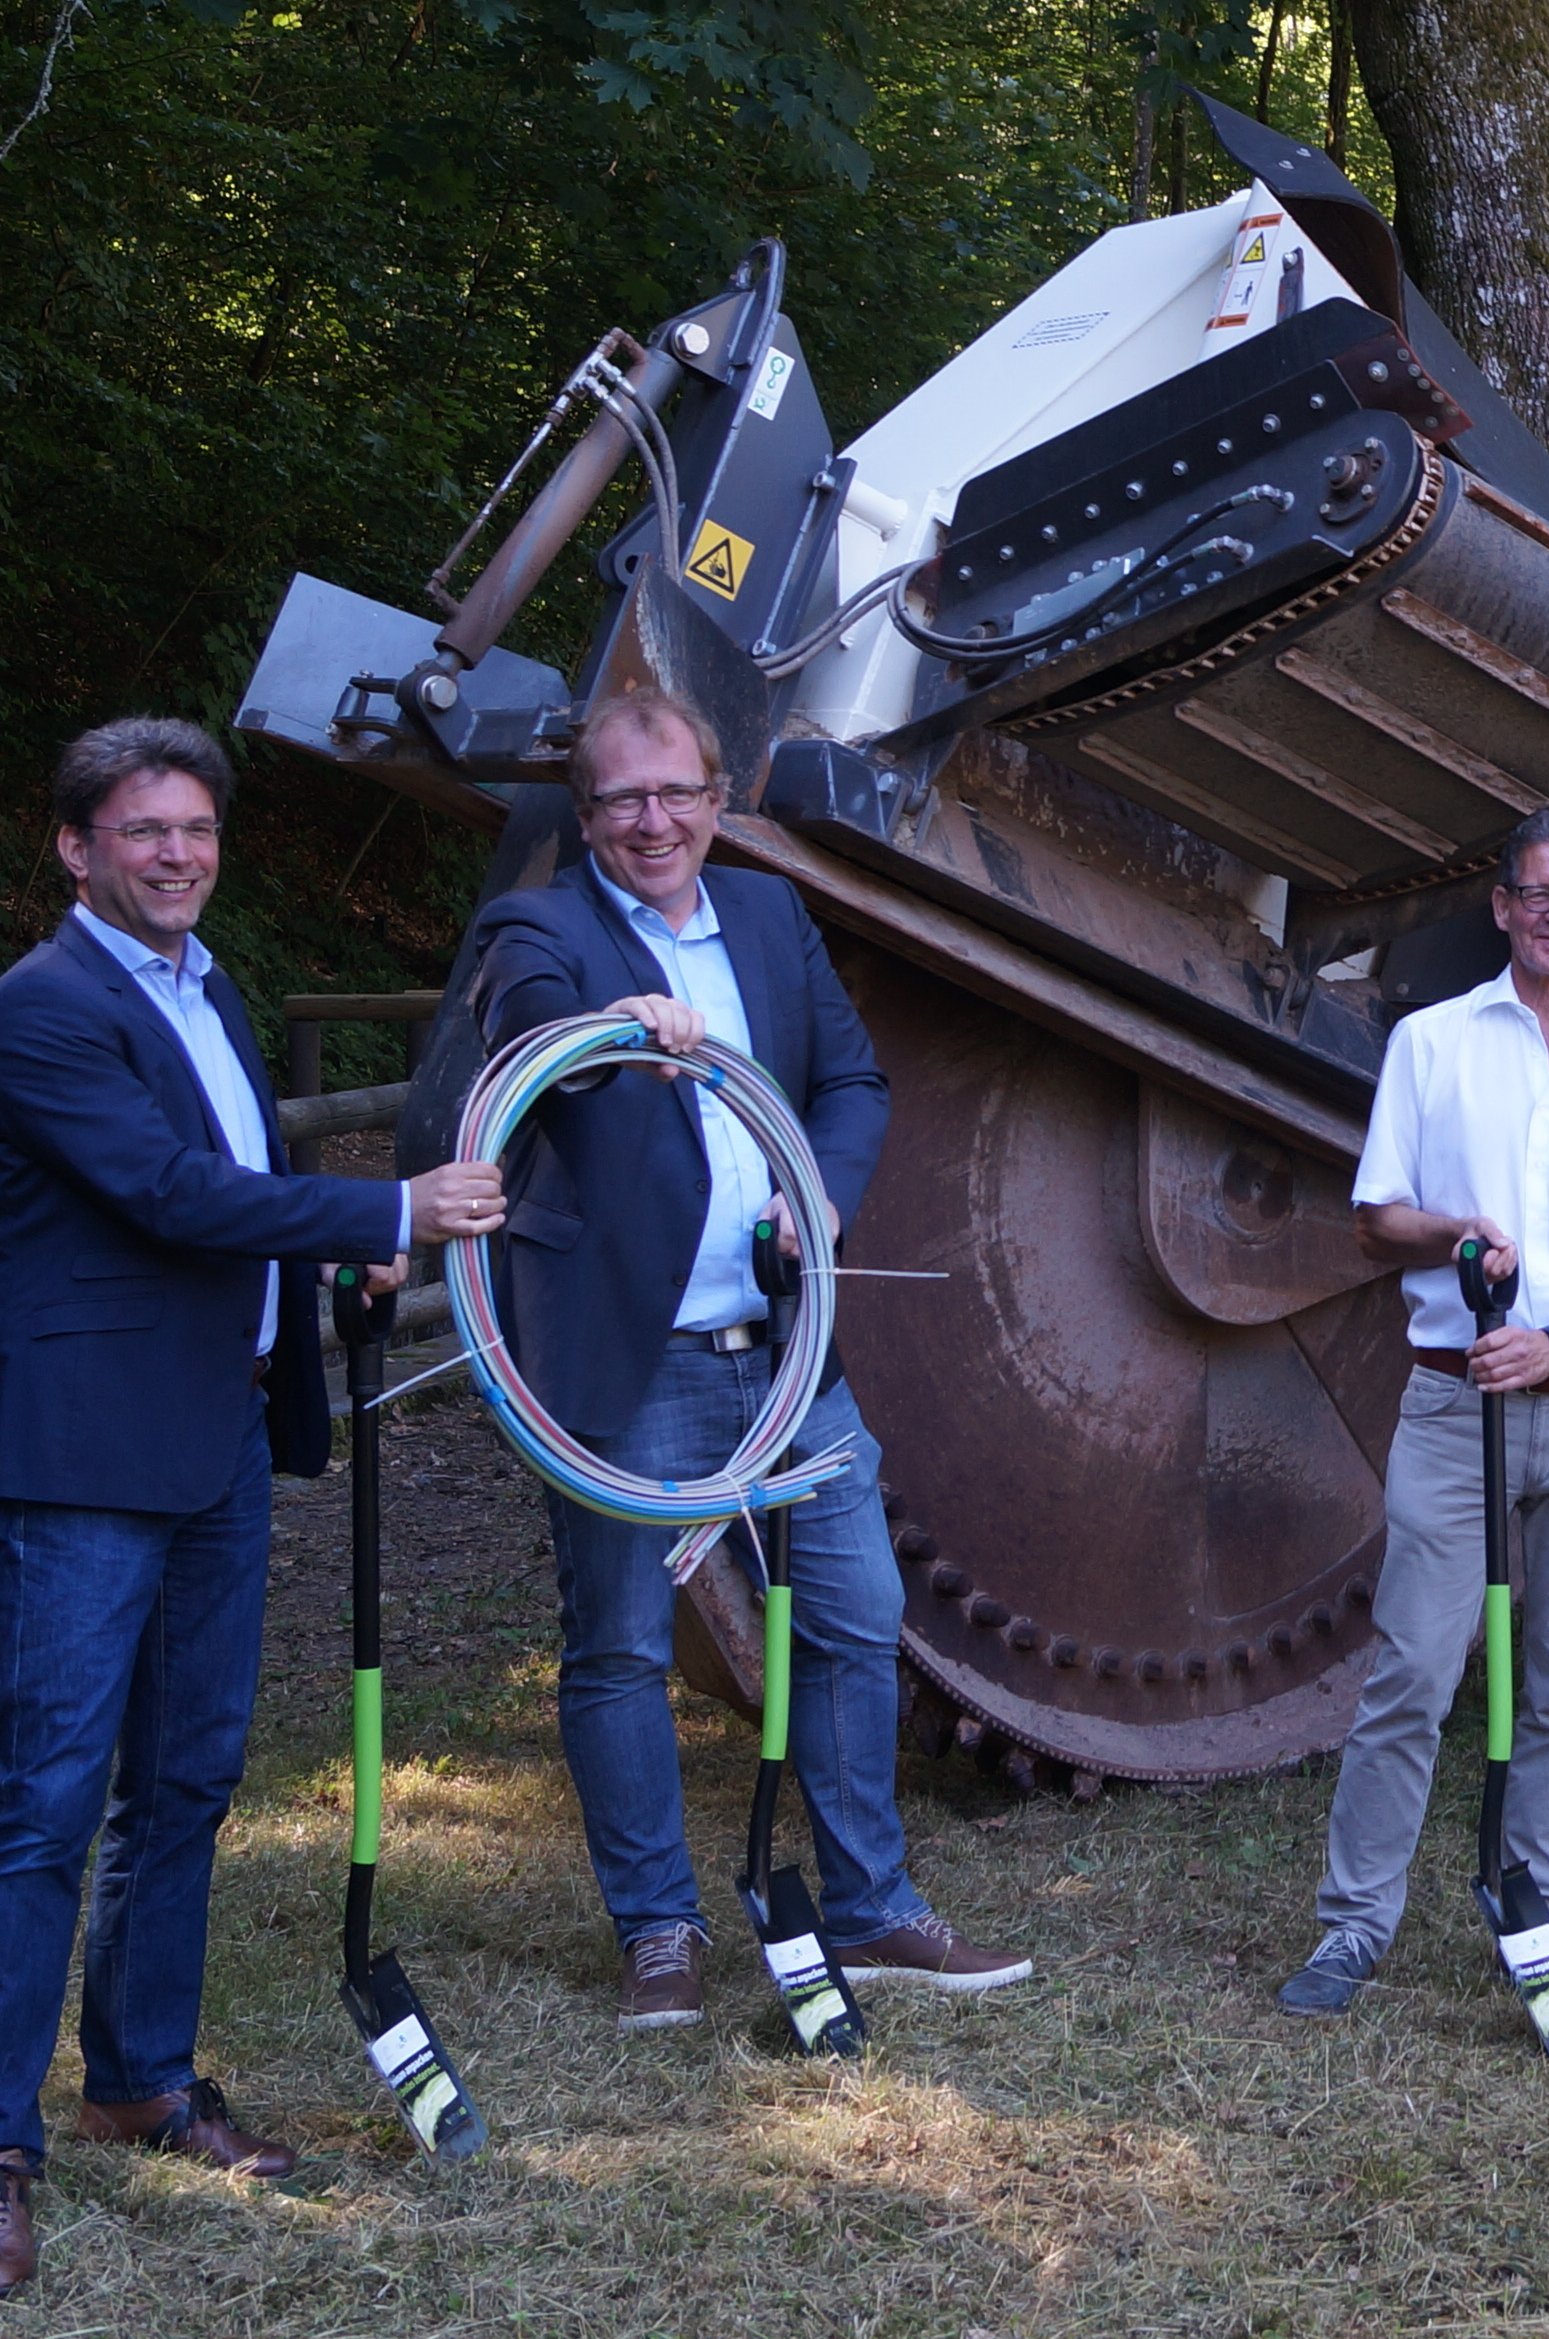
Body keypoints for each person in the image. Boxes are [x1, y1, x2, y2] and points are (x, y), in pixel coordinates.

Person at [0, 718, 509, 2294]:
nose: (177, 854)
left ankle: (140, 2075)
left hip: (215, 1449)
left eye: (196, 828)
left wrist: (331, 1250)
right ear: (75, 847)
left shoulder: (208, 987)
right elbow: (168, 1196)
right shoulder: (41, 1010)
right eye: (142, 831)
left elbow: (234, 1186)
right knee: (45, 1799)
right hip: (80, 1462)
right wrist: (391, 1204)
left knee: (185, 1784)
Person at [466, 684, 1031, 2028]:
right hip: (627, 1358)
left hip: (782, 1345)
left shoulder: (772, 919)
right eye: (620, 800)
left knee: (849, 1608)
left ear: (718, 800)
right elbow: (535, 1045)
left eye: (676, 793)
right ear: (585, 814)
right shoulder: (542, 929)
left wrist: (821, 1194)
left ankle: (871, 1906)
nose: (652, 821)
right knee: (615, 1643)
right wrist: (620, 1030)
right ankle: (659, 1932)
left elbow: (849, 1083)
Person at [1277, 806, 1549, 2022]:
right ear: (1503, 906)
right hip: (1454, 1399)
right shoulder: (1432, 1043)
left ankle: (1534, 1920)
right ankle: (1354, 1925)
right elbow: (1379, 1216)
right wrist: (1456, 1230)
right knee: (1412, 1667)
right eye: (1539, 895)